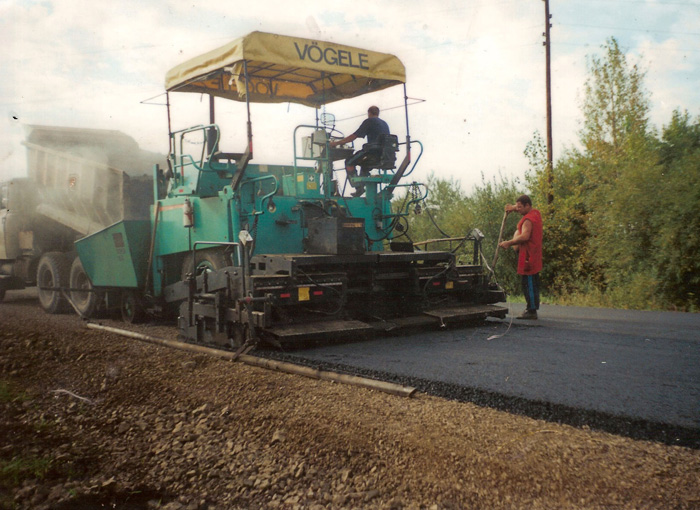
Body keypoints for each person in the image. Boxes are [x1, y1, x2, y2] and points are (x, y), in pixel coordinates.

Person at [498, 195, 543, 320]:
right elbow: (522, 207)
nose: (518, 209)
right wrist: (513, 208)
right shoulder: (536, 213)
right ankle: (531, 308)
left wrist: (509, 242)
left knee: (528, 283)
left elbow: (524, 237)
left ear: (527, 206)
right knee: (531, 282)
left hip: (528, 255)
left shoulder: (528, 220)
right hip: (533, 254)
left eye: (519, 207)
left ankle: (531, 310)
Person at [329, 105, 390, 197]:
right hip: (384, 155)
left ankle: (358, 187)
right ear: (378, 113)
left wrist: (336, 143)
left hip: (372, 153)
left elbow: (354, 136)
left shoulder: (369, 121)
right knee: (364, 165)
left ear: (369, 113)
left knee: (349, 162)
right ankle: (360, 188)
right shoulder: (385, 123)